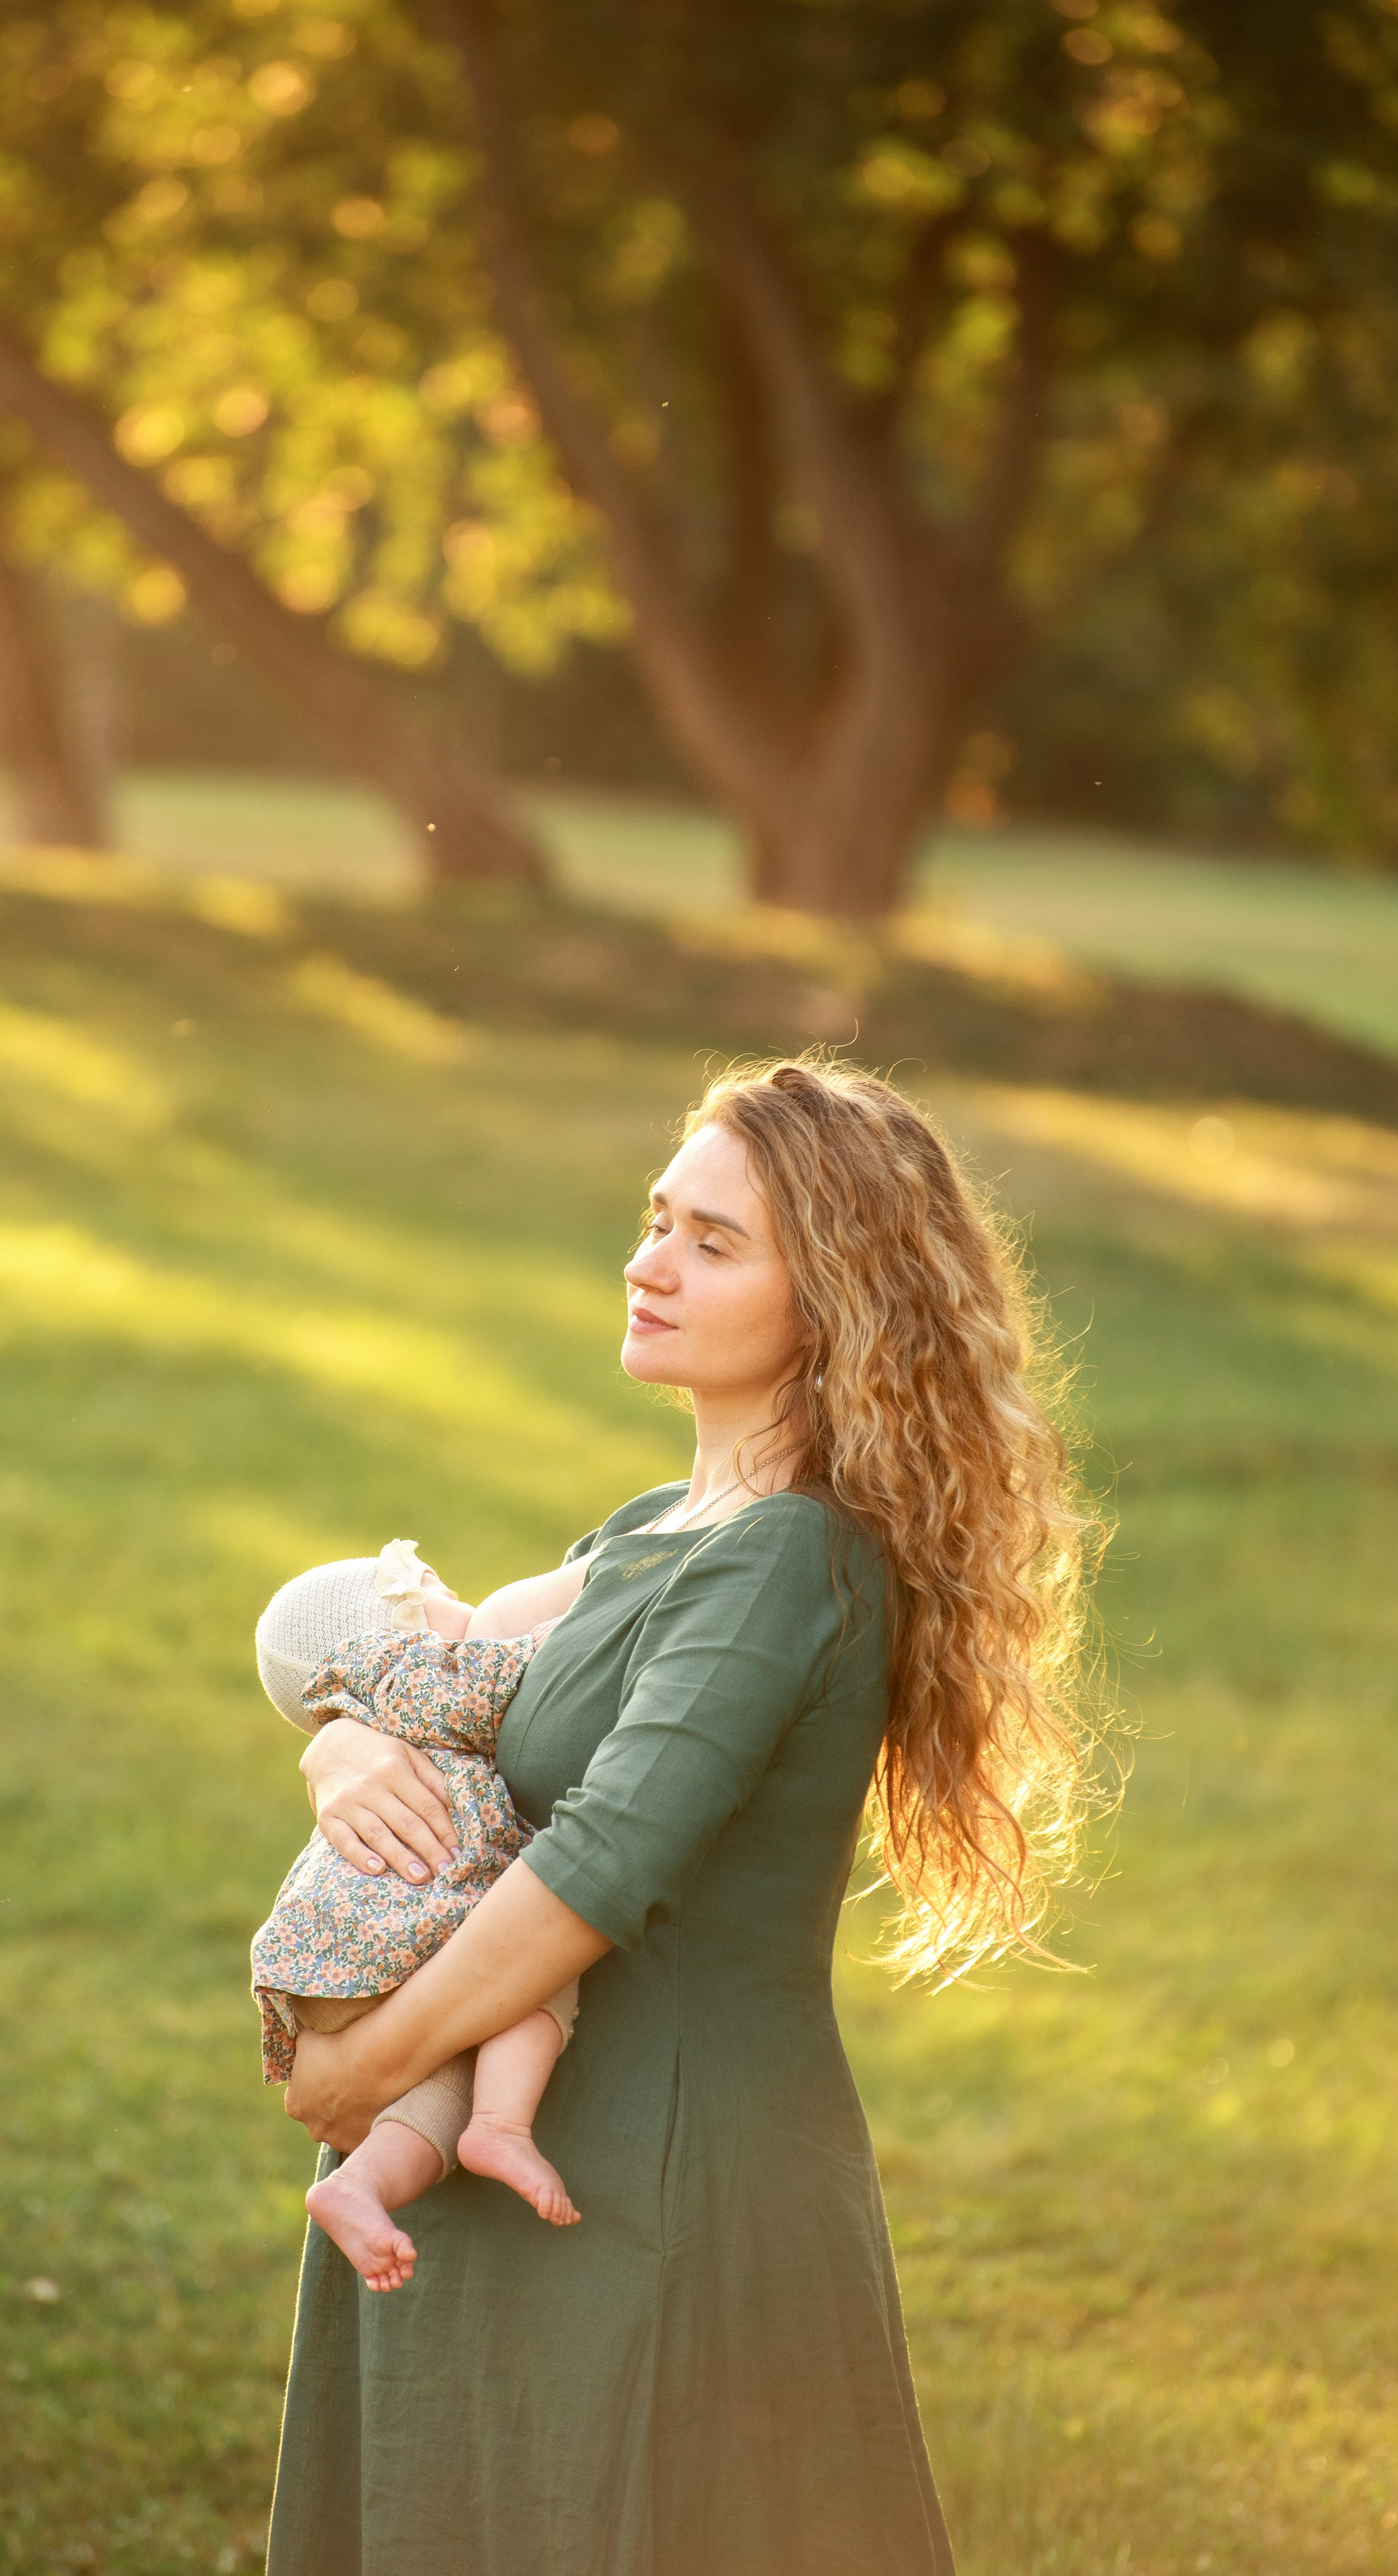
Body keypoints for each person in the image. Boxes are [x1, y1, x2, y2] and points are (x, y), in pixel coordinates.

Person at [267, 1057, 1099, 2576]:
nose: (649, 1262)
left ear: (833, 1300)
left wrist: (367, 2066)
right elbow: (431, 1680)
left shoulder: (787, 1558)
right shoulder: (650, 1530)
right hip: (495, 2158)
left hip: (658, 2181)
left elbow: (601, 1862)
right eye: (658, 1220)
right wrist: (338, 1749)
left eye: (713, 1242)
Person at [248, 1539, 598, 2288]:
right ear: (395, 1619)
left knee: (446, 2075)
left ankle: (361, 2183)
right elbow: (487, 1688)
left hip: (342, 1964)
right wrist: (558, 1639)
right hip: (399, 1929)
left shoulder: (371, 1700)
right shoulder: (401, 1669)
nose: (466, 1604)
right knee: (537, 1970)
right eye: (440, 1592)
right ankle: (502, 2123)